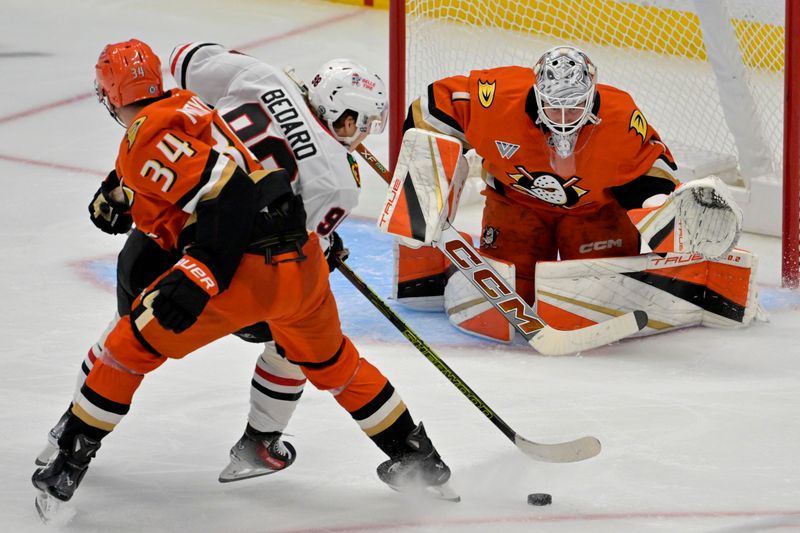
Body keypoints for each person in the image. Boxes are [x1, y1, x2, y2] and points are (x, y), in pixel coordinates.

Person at [32, 39, 453, 517]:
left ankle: (68, 456)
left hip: (225, 259)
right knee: (334, 362)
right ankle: (414, 456)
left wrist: (198, 267)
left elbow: (186, 60)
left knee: (130, 345)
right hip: (299, 271)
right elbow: (297, 224)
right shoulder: (341, 179)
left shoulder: (260, 78)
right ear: (345, 116)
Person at [393, 45, 758, 342]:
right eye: (554, 105)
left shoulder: (620, 115)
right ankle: (429, 274)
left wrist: (660, 207)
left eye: (575, 105)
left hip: (595, 213)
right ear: (536, 92)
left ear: (592, 94)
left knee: (598, 288)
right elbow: (430, 107)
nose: (564, 115)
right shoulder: (495, 97)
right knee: (508, 285)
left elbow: (650, 171)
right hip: (515, 205)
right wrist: (425, 178)